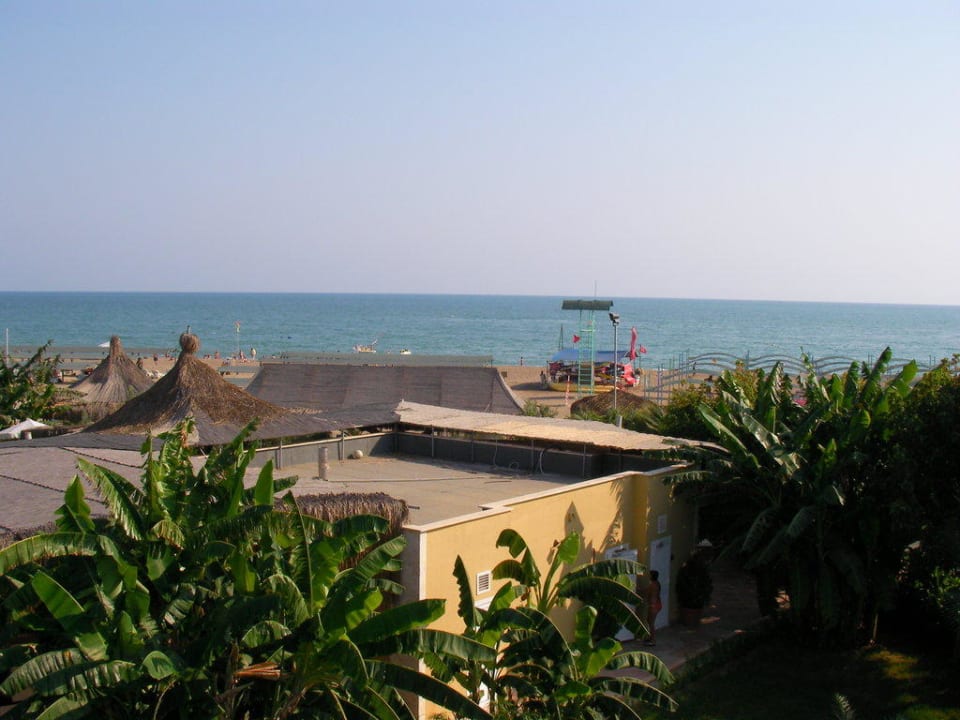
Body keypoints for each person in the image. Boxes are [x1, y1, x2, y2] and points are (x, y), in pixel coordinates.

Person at [644, 570, 663, 646]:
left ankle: (653, 640)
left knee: (651, 623)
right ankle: (650, 637)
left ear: (652, 576)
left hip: (653, 606)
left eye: (649, 575)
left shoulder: (652, 585)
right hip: (657, 604)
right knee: (649, 621)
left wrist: (637, 590)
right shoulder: (657, 583)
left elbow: (646, 592)